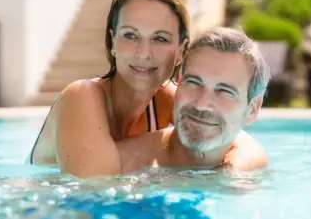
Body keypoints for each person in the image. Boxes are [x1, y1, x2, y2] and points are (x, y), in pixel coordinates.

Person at [28, 0, 266, 177]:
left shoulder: (172, 99)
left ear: (182, 51)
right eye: (130, 35)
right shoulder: (82, 97)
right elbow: (95, 198)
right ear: (112, 42)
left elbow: (238, 138)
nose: (143, 53)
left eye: (160, 39)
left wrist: (228, 173)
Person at [115, 27, 271, 173]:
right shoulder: (121, 164)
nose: (201, 104)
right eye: (194, 82)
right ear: (179, 82)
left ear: (252, 109)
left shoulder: (250, 175)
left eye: (224, 91)